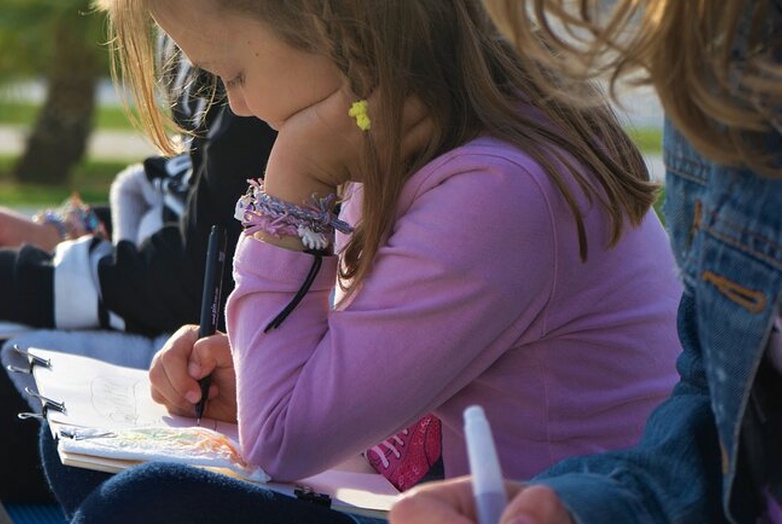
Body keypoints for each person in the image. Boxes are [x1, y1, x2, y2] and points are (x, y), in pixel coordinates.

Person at [40, 0, 685, 522]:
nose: (234, 104)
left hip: (523, 509)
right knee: (76, 452)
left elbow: (282, 444)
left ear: (335, 26)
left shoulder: (498, 191)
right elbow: (351, 391)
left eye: (232, 74)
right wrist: (256, 376)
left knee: (142, 506)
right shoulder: (405, 144)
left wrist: (291, 177)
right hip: (418, 489)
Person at [390, 1, 781, 523]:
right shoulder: (720, 56)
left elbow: (290, 433)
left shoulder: (502, 187)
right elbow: (719, 413)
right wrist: (578, 508)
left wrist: (294, 184)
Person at [0, 36, 278, 502]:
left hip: (184, 380)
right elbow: (191, 207)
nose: (241, 101)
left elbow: (198, 270)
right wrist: (58, 236)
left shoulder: (264, 54)